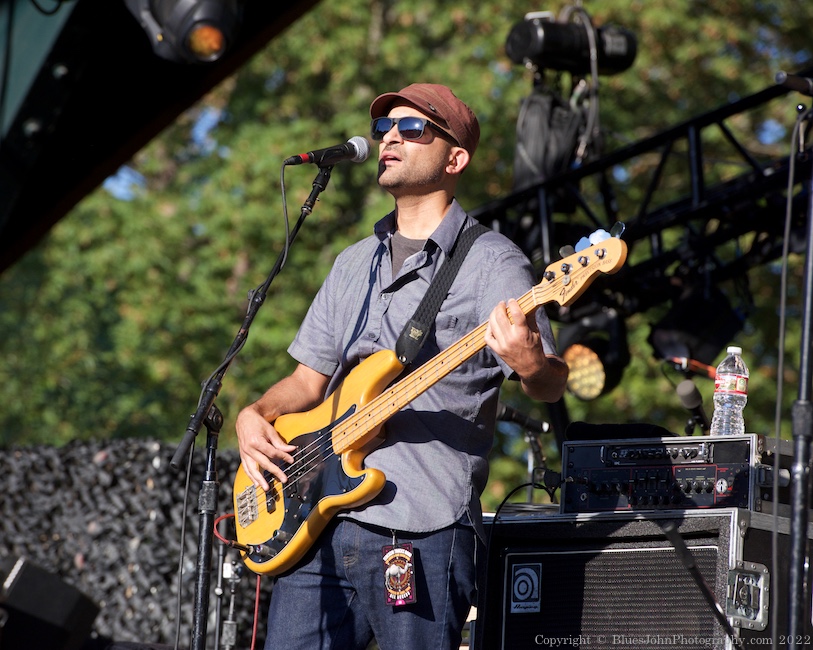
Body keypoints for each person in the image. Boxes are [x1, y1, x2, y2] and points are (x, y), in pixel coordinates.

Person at [235, 82, 569, 650]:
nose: (390, 137)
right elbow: (305, 381)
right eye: (384, 128)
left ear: (454, 158)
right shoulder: (353, 263)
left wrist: (530, 361)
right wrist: (255, 413)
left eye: (411, 128)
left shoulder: (493, 263)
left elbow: (552, 383)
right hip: (315, 519)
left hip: (420, 525)